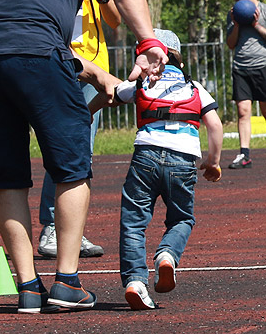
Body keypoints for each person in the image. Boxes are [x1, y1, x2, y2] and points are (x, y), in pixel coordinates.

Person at [0, 0, 167, 313]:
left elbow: (18, 34)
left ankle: (27, 288)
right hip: (37, 56)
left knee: (8, 179)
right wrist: (148, 41)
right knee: (71, 168)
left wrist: (99, 75)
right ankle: (66, 283)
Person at [91, 30, 222, 310]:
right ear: (179, 61)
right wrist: (212, 161)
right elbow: (215, 124)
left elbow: (111, 95)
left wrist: (84, 111)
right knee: (182, 219)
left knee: (134, 222)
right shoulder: (195, 87)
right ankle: (167, 256)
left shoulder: (143, 83)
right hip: (184, 160)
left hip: (146, 155)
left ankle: (136, 281)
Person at [37, 0, 120, 260]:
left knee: (80, 151)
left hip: (94, 67)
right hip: (60, 61)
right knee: (64, 146)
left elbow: (116, 20)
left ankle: (71, 232)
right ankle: (52, 228)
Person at [226, 0, 266, 169]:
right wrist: (237, 24)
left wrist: (256, 25)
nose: (235, 1)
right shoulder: (233, 14)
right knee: (243, 112)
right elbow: (231, 44)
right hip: (240, 67)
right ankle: (244, 154)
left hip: (263, 66)